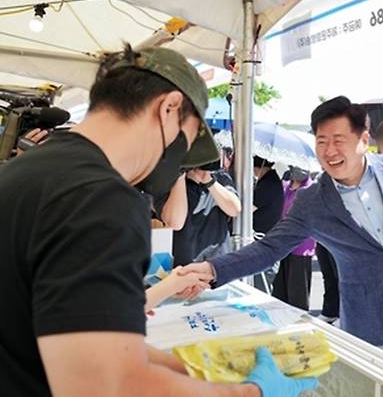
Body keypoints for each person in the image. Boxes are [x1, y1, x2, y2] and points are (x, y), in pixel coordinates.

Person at [0, 45, 316, 397]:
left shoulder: (27, 172)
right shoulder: (102, 197)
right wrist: (251, 393)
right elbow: (109, 386)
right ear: (168, 108)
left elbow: (80, 337)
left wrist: (207, 372)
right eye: (184, 143)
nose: (176, 162)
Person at [180, 96, 383, 395]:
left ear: (364, 139)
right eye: (322, 141)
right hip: (371, 322)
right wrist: (211, 269)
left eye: (339, 140)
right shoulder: (313, 202)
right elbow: (269, 248)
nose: (329, 151)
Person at [160, 166, 241, 266]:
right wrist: (180, 176)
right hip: (183, 268)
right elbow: (176, 223)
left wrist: (209, 181)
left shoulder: (219, 177)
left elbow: (235, 209)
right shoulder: (168, 182)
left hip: (219, 265)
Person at [272, 167, 316, 310]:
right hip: (283, 245)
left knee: (298, 296)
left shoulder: (311, 189)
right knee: (280, 291)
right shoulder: (286, 186)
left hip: (301, 247)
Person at [253, 156, 284, 236]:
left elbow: (252, 205)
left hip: (262, 231)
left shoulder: (268, 183)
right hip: (269, 230)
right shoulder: (272, 179)